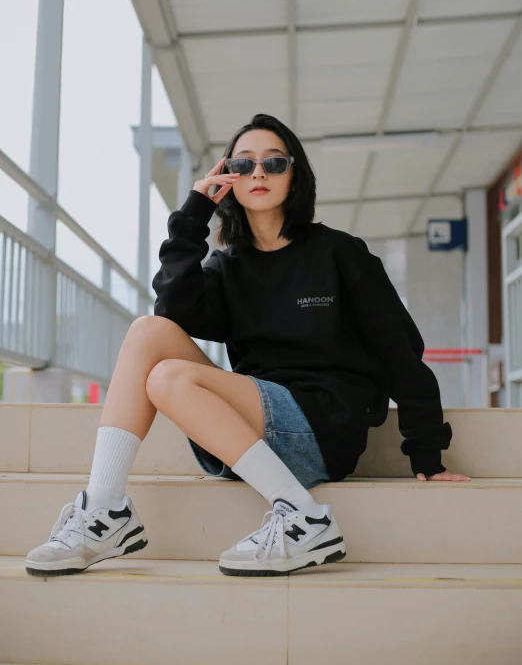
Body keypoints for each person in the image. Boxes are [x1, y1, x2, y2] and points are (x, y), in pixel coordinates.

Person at [25, 113, 470, 579]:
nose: (259, 172)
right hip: (250, 433)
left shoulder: (339, 252)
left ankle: (303, 516)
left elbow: (399, 348)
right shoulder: (227, 267)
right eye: (244, 163)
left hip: (322, 426)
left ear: (295, 175)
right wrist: (195, 212)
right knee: (147, 331)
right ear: (228, 178)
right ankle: (103, 511)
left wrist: (427, 453)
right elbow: (173, 308)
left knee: (169, 377)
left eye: (274, 163)